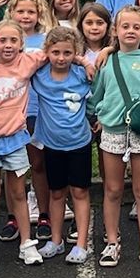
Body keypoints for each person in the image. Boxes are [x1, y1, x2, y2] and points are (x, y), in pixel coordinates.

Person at [90, 7, 140, 268]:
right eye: (125, 26)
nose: (130, 31)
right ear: (115, 30)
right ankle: (112, 241)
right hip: (113, 132)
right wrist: (99, 116)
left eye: (136, 27)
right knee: (112, 189)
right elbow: (97, 95)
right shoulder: (107, 62)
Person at [29, 25, 94, 265]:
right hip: (53, 145)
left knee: (79, 191)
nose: (61, 58)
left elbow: (97, 83)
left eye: (68, 53)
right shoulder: (40, 75)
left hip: (79, 143)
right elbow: (23, 63)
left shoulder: (81, 75)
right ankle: (56, 240)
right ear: (48, 52)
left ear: (75, 52)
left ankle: (81, 244)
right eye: (55, 52)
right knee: (56, 192)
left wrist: (84, 62)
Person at [0, 19, 39, 266]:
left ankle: (26, 244)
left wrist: (82, 61)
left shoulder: (29, 61)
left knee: (18, 193)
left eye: (14, 40)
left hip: (15, 140)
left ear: (22, 44)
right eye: (2, 40)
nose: (8, 45)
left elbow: (58, 48)